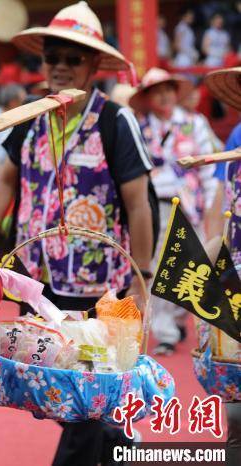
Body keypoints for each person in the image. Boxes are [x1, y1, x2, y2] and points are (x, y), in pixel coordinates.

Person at [0, 3, 154, 465]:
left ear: (95, 66)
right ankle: (122, 447)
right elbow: (4, 182)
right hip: (40, 285)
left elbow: (139, 203)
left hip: (104, 288)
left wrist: (142, 278)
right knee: (61, 390)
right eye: (52, 56)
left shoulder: (114, 121)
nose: (60, 67)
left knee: (88, 393)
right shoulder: (27, 117)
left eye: (73, 58)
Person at [129, 68, 219, 356]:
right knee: (157, 267)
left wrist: (211, 210)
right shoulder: (140, 127)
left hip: (192, 205)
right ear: (147, 97)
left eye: (168, 89)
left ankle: (179, 320)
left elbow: (208, 168)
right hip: (157, 204)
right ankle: (165, 330)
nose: (164, 95)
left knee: (193, 267)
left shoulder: (195, 123)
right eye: (157, 90)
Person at [197, 65, 241, 465]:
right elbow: (222, 208)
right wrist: (202, 272)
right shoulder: (237, 137)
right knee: (236, 400)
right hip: (238, 280)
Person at [0, 84, 26, 193]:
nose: (25, 105)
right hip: (0, 182)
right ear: (13, 103)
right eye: (23, 101)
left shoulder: (10, 119)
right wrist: (5, 191)